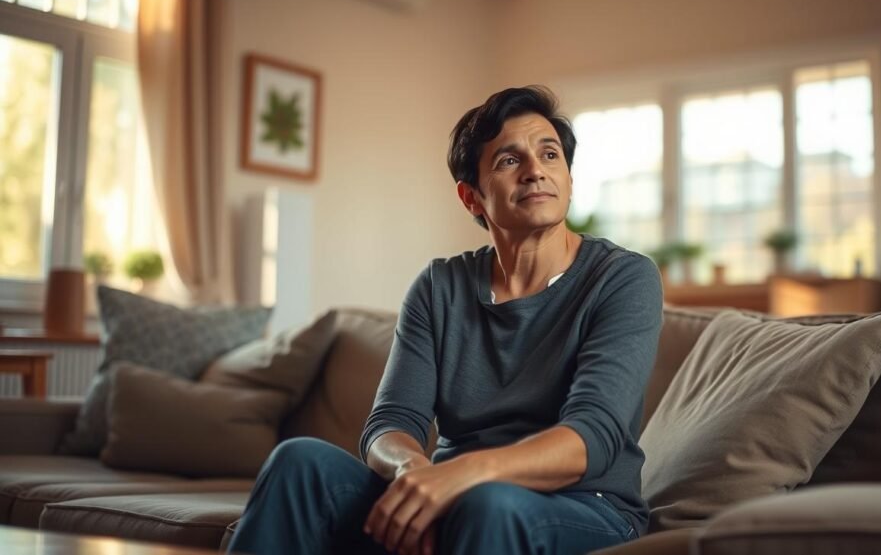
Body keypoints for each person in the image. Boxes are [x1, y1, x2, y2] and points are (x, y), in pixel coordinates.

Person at [227, 86, 663, 555]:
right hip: (457, 498)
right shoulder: (440, 287)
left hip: (586, 507)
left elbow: (592, 436)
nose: (536, 170)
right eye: (509, 160)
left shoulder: (623, 277)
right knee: (300, 462)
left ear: (569, 180)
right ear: (471, 197)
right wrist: (412, 473)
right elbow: (390, 423)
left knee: (487, 504)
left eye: (550, 154)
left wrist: (462, 476)